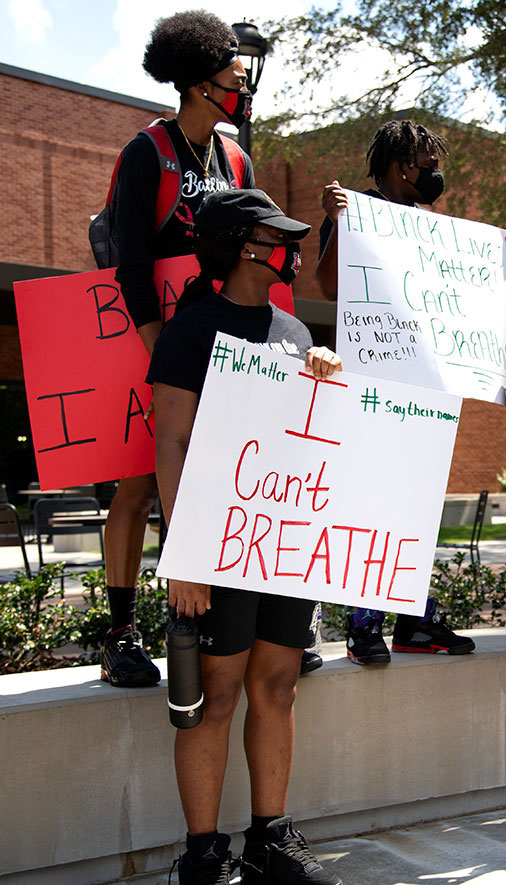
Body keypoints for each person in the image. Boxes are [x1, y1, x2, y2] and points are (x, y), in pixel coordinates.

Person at [151, 189, 341, 885]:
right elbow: (169, 442)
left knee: (279, 683)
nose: (290, 248)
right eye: (278, 237)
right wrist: (186, 554)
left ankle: (269, 838)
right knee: (219, 692)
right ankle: (203, 855)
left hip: (282, 540)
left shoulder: (292, 330)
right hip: (217, 542)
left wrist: (321, 371)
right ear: (241, 246)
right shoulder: (191, 327)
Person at [315, 118, 506, 663]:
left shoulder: (433, 226)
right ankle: (364, 622)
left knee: (418, 504)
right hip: (374, 384)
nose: (437, 173)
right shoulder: (355, 209)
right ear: (401, 165)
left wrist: (494, 259)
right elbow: (329, 286)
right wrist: (340, 223)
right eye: (429, 163)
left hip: (427, 391)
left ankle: (415, 618)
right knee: (374, 502)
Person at [98, 10, 255, 687]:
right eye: (232, 72)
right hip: (154, 339)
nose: (243, 82)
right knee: (136, 485)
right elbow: (130, 262)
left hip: (219, 344)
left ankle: (198, 614)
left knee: (212, 479)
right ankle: (120, 633)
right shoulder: (147, 152)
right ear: (198, 83)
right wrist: (160, 347)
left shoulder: (239, 158)